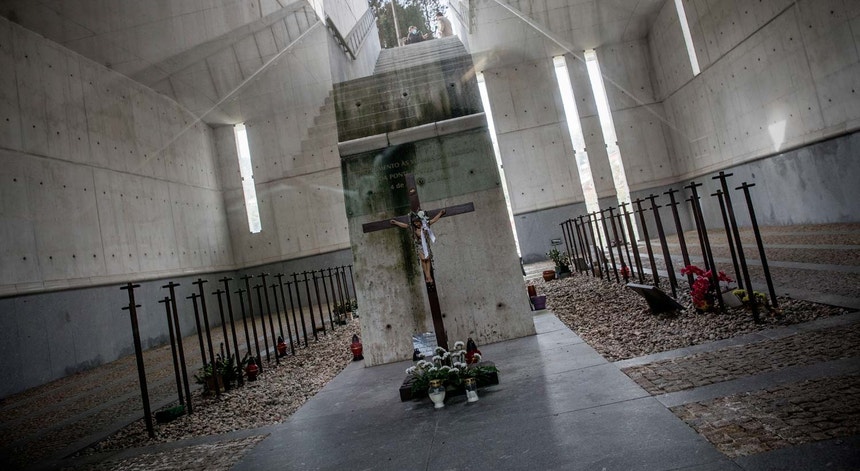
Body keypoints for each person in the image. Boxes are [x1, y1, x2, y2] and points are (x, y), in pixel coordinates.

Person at [391, 209, 446, 283]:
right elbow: (404, 225)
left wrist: (440, 213)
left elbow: (434, 220)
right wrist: (396, 222)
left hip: (426, 245)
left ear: (420, 220)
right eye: (415, 222)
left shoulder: (426, 225)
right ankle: (427, 276)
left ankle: (428, 276)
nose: (416, 224)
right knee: (423, 259)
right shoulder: (413, 228)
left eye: (417, 222)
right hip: (419, 245)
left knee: (427, 259)